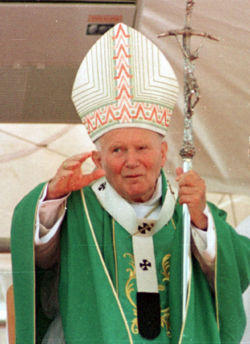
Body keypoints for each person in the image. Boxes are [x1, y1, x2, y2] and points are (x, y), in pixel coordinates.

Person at [11, 23, 250, 344]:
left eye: (142, 148)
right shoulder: (76, 204)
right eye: (117, 150)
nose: (132, 161)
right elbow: (38, 260)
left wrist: (201, 222)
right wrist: (52, 196)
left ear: (163, 152)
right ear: (98, 160)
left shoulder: (188, 204)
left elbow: (238, 271)